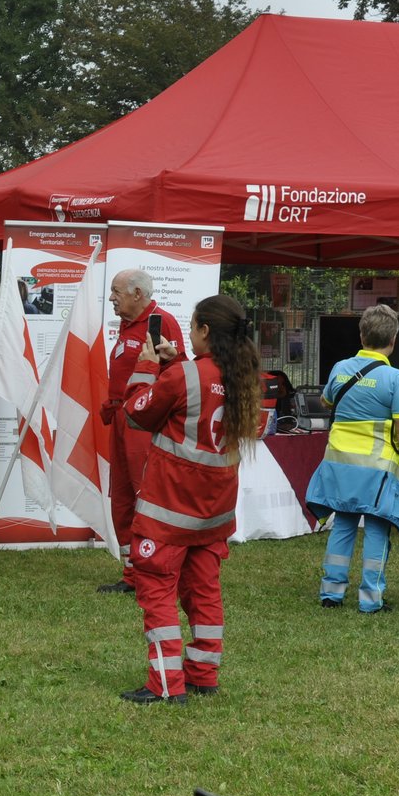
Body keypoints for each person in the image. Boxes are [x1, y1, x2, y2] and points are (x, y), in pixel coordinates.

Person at [119, 293, 260, 705]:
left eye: (193, 325)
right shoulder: (242, 375)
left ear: (204, 331)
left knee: (157, 590)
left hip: (169, 511)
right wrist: (177, 359)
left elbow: (137, 413)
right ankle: (203, 674)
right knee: (203, 592)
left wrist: (147, 367)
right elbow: (202, 388)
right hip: (213, 513)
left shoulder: (184, 376)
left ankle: (164, 683)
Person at [305, 305, 399, 612]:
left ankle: (331, 593)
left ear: (361, 334)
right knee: (376, 529)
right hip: (378, 471)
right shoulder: (396, 379)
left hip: (340, 465)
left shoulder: (340, 367)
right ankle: (370, 600)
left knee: (343, 525)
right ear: (394, 339)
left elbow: (325, 400)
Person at [98, 268, 185, 594]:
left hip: (144, 423)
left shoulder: (161, 322)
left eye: (116, 292)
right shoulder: (127, 326)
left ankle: (155, 570)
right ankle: (132, 573)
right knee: (121, 498)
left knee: (145, 496)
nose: (111, 298)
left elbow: (179, 373)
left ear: (137, 293)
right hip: (122, 419)